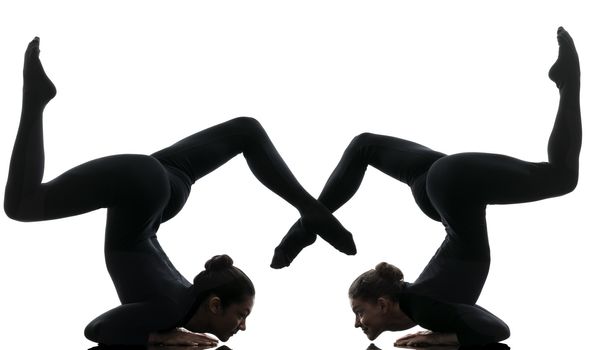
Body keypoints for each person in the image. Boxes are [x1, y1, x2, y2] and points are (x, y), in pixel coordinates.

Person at [4, 37, 357, 346]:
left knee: (246, 131)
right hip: (140, 191)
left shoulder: (178, 305)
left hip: (160, 196)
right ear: (215, 304)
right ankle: (35, 98)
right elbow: (96, 329)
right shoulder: (169, 311)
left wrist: (163, 332)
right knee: (22, 205)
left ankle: (309, 208)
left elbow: (102, 326)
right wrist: (157, 337)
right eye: (241, 315)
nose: (243, 326)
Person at [279, 27, 581, 347]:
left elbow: (497, 330)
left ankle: (568, 80)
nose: (357, 323)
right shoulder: (422, 302)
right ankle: (306, 227)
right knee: (363, 146)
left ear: (382, 303)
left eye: (359, 311)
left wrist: (440, 338)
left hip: (454, 187)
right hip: (438, 189)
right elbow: (482, 323)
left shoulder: (423, 309)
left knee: (561, 177)